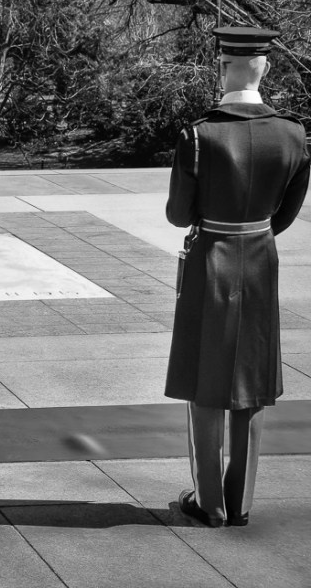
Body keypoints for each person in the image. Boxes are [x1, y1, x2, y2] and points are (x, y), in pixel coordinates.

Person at [166, 26, 309, 528]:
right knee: (251, 379)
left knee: (206, 381)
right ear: (265, 68)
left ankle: (210, 503)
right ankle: (241, 500)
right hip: (260, 261)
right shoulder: (293, 134)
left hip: (211, 260)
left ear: (222, 67)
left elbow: (178, 216)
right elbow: (285, 216)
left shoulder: (199, 136)